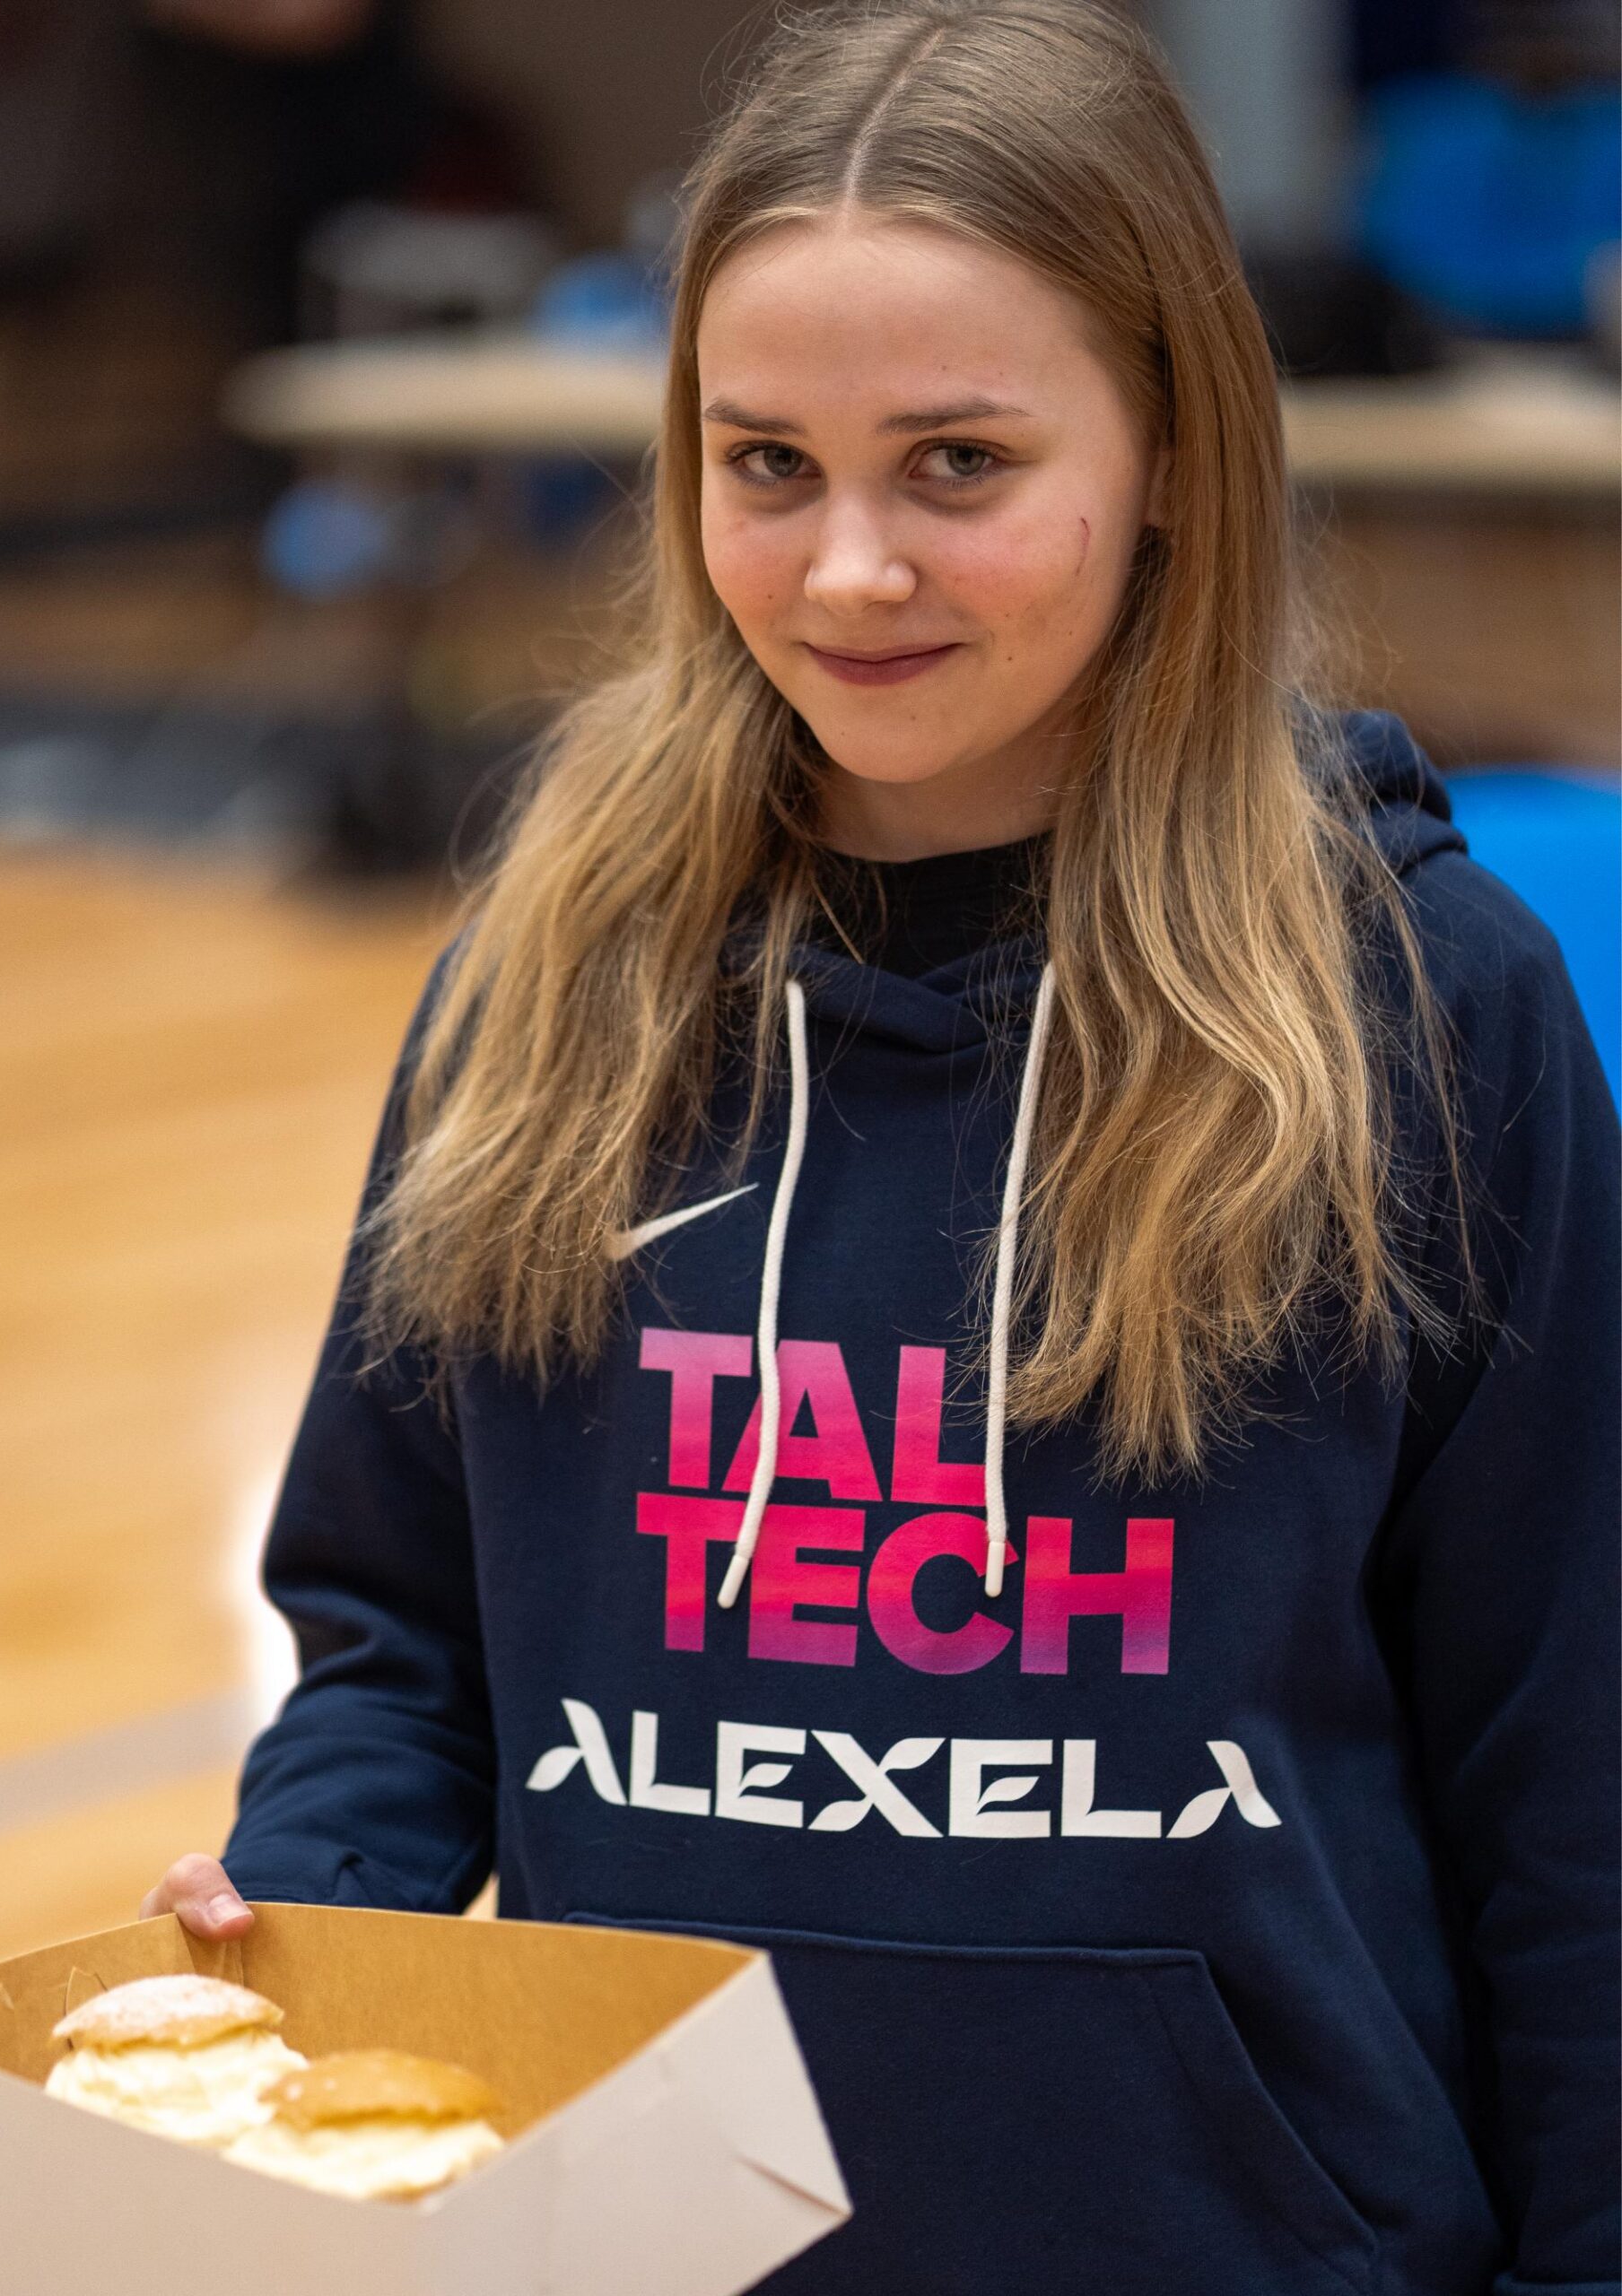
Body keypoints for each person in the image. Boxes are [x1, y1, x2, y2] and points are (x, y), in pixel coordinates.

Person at [142, 4, 1620, 2286]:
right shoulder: (554, 975)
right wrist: (305, 1926)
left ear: (1171, 455)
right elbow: (401, 1639)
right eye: (766, 462)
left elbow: (1575, 1775)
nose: (846, 570)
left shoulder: (1420, 1010)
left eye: (955, 464)